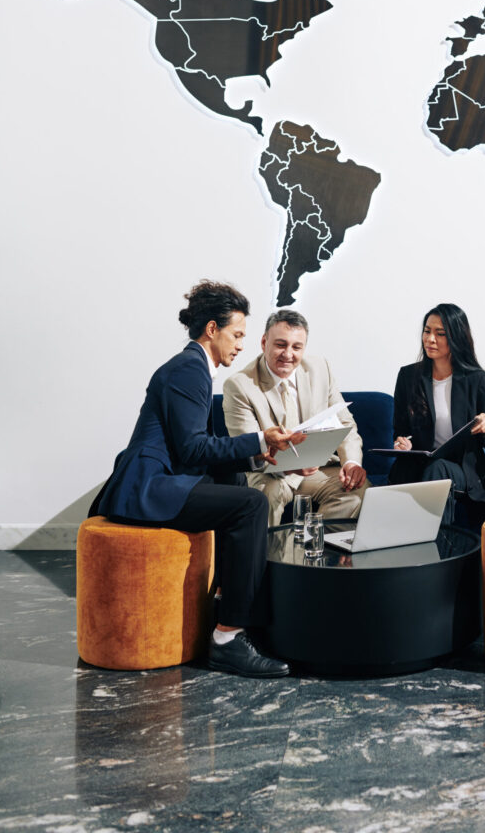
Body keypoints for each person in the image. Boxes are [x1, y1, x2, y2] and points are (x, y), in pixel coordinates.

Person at [89, 281, 305, 679]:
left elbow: (204, 449)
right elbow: (192, 450)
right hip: (147, 488)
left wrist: (259, 452)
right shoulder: (189, 369)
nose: (241, 345)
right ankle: (228, 638)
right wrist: (259, 438)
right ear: (211, 329)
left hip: (162, 477)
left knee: (237, 481)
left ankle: (227, 599)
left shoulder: (194, 367)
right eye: (237, 335)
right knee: (252, 504)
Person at [222, 308, 369, 526]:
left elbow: (346, 424)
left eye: (296, 347)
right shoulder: (239, 385)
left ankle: (317, 554)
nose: (288, 354)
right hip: (270, 473)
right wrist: (291, 465)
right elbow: (250, 448)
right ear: (264, 343)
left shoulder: (320, 368)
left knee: (355, 491)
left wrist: (351, 462)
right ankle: (266, 560)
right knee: (264, 498)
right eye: (281, 344)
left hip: (318, 470)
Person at [389, 303, 485, 524]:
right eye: (427, 331)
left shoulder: (476, 379)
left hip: (463, 469)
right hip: (422, 462)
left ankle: (436, 549)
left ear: (457, 337)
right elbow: (400, 431)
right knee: (404, 469)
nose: (430, 339)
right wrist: (402, 443)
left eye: (440, 334)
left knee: (437, 469)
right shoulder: (408, 376)